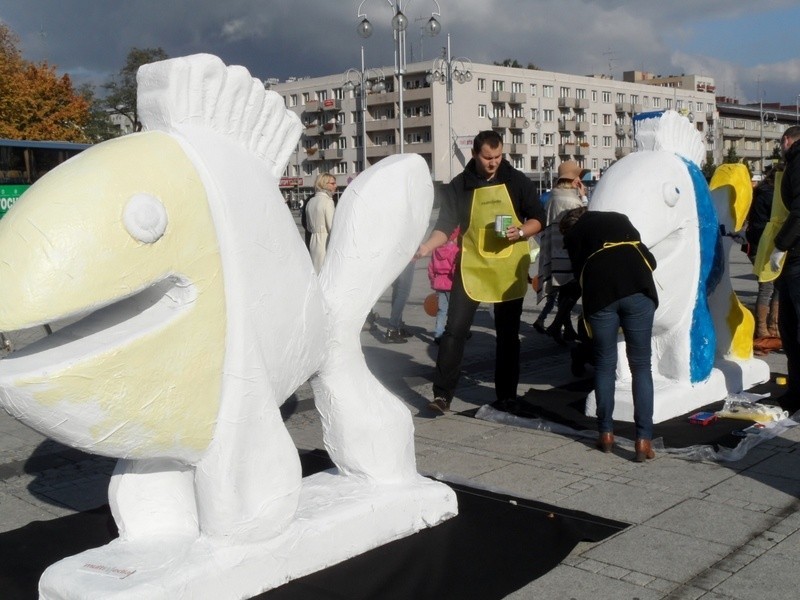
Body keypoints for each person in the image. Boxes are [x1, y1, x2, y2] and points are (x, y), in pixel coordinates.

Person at [416, 130, 545, 414]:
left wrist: (521, 231)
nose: (493, 163)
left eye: (498, 157)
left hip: (508, 268)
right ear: (475, 154)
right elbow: (445, 226)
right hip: (472, 266)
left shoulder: (516, 181)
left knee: (508, 335)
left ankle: (507, 396)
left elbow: (539, 218)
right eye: (488, 157)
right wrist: (425, 247)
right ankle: (442, 396)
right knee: (454, 332)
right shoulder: (459, 186)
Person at [560, 206, 659, 462]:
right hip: (638, 290)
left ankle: (605, 434)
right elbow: (651, 261)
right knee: (641, 366)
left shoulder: (574, 236)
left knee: (605, 365)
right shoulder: (619, 219)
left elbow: (577, 273)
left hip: (600, 296)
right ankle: (643, 439)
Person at [534, 160, 588, 343]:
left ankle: (565, 329)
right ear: (574, 181)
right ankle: (556, 325)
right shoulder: (571, 200)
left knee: (564, 292)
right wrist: (584, 198)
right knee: (574, 290)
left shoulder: (552, 197)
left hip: (553, 252)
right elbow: (585, 220)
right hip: (568, 253)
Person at [770, 126, 800, 414]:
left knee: (794, 330)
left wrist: (780, 245)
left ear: (787, 140)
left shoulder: (798, 161)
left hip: (797, 258)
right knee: (789, 330)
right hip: (794, 259)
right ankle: (794, 394)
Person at [745, 168, 780, 349]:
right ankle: (764, 329)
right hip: (763, 245)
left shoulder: (763, 192)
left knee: (774, 287)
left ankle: (772, 327)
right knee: (768, 287)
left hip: (762, 244)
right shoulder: (771, 195)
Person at [427, 227, 460, 343]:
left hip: (439, 283)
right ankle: (454, 332)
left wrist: (433, 281)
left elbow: (431, 268)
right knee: (454, 310)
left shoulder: (436, 250)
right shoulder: (455, 250)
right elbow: (454, 269)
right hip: (451, 283)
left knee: (442, 310)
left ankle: (438, 334)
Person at [306, 172, 336, 273]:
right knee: (326, 274)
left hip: (313, 242)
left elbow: (309, 227)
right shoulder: (328, 201)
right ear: (324, 184)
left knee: (316, 272)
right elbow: (332, 227)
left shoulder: (311, 201)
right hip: (325, 242)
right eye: (332, 183)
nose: (335, 186)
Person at [383, 261, 415, 344]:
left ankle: (397, 327)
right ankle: (392, 329)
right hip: (406, 255)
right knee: (403, 291)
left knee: (397, 290)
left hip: (394, 256)